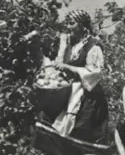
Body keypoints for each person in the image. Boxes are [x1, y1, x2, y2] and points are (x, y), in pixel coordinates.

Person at [37, 9, 109, 147]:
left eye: (72, 23)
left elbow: (95, 72)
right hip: (69, 89)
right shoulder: (71, 43)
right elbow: (59, 60)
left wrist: (68, 67)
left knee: (81, 130)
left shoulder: (93, 46)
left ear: (82, 25)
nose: (69, 27)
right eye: (67, 24)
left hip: (87, 94)